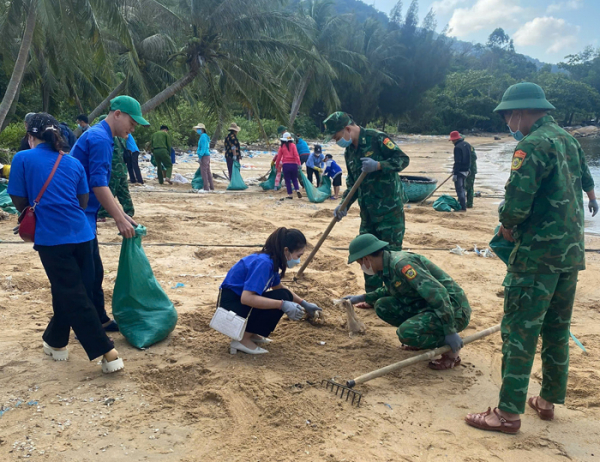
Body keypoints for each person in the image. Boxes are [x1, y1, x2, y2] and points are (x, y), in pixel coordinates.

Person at [465, 82, 599, 434]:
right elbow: (586, 177)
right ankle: (547, 400)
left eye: (509, 115)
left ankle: (507, 413)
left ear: (521, 112)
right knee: (556, 329)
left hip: (537, 255)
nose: (509, 121)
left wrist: (507, 222)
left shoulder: (532, 145)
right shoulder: (568, 139)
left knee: (520, 331)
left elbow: (517, 202)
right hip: (570, 253)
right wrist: (590, 195)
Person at [7, 113, 124, 373]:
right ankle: (55, 341)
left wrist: (31, 211)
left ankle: (107, 351)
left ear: (31, 136)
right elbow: (82, 201)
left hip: (52, 239)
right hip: (83, 235)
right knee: (71, 289)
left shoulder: (22, 158)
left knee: (72, 293)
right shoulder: (71, 162)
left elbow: (17, 196)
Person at [71, 95, 149, 333]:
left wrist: (124, 215)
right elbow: (98, 184)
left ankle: (99, 319)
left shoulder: (103, 136)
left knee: (93, 271)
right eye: (132, 123)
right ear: (117, 114)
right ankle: (87, 325)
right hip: (75, 215)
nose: (133, 128)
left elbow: (101, 184)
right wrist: (118, 218)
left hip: (85, 214)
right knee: (87, 273)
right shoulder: (100, 139)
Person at [344, 234, 471, 369]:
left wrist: (450, 330)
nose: (362, 267)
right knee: (382, 305)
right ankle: (424, 334)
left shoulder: (402, 264)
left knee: (406, 333)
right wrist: (364, 297)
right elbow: (392, 289)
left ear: (366, 258)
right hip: (427, 305)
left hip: (453, 309)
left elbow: (438, 293)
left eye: (360, 263)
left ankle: (450, 350)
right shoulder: (387, 265)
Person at [323, 111, 410, 295]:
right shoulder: (349, 152)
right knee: (365, 254)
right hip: (368, 213)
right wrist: (344, 204)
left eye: (337, 137)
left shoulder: (376, 138)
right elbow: (353, 184)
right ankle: (372, 296)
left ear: (347, 129)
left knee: (390, 255)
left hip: (389, 211)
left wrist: (378, 166)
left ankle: (395, 295)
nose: (336, 141)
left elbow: (402, 160)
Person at [219, 227, 322, 354]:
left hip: (237, 304)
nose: (298, 260)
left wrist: (304, 303)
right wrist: (282, 305)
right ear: (286, 250)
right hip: (230, 309)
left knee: (283, 295)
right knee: (281, 299)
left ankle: (251, 334)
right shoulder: (264, 263)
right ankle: (243, 339)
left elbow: (280, 288)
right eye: (298, 255)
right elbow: (246, 298)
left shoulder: (271, 262)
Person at [97, 133, 135, 220]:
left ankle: (103, 213)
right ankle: (129, 211)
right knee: (124, 192)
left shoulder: (108, 137)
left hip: (113, 168)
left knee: (109, 191)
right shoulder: (120, 137)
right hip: (122, 168)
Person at [274, 132, 302, 200]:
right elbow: (296, 155)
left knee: (287, 180)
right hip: (294, 164)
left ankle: (290, 195)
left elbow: (279, 157)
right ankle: (297, 190)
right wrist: (299, 163)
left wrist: (277, 166)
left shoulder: (281, 147)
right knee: (294, 178)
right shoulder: (293, 145)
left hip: (286, 165)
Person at [449, 131, 471, 212]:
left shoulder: (457, 147)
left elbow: (457, 162)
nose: (452, 142)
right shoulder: (467, 145)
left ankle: (462, 207)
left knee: (459, 190)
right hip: (466, 170)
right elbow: (470, 158)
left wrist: (455, 173)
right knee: (463, 188)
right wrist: (469, 169)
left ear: (454, 139)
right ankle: (462, 205)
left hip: (460, 171)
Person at [195, 123, 214, 192]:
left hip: (204, 156)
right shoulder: (206, 136)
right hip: (207, 155)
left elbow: (202, 148)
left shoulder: (203, 137)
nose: (197, 130)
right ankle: (211, 186)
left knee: (204, 172)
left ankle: (206, 187)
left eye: (198, 129)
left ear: (202, 130)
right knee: (208, 171)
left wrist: (200, 157)